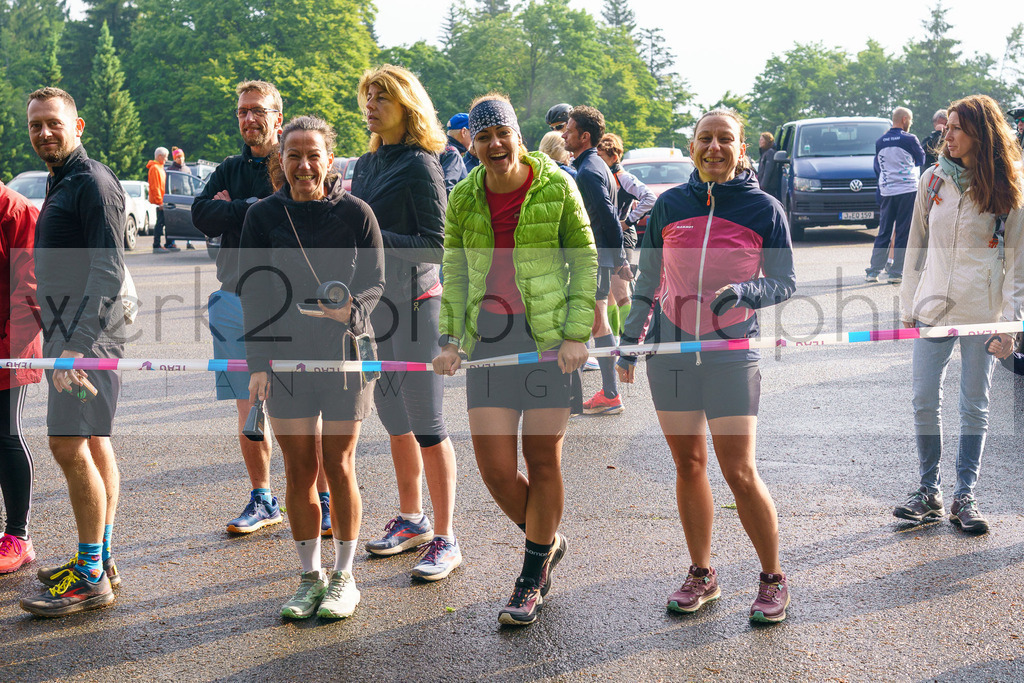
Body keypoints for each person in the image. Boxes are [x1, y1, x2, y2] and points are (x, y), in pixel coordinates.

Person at [617, 108, 796, 623]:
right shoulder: (670, 204)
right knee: (689, 465)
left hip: (731, 353)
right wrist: (631, 338)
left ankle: (772, 578)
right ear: (692, 146)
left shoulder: (764, 209)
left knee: (738, 470)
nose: (713, 147)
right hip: (670, 353)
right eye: (704, 139)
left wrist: (747, 291)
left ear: (742, 150)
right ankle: (702, 572)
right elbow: (648, 280)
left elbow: (784, 281)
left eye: (725, 140)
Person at [433, 93, 597, 626]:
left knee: (542, 458)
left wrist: (576, 334)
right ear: (472, 143)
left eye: (501, 133)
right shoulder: (462, 197)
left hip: (548, 339)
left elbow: (585, 259)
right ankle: (546, 538)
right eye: (483, 137)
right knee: (497, 471)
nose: (494, 145)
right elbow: (453, 272)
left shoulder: (556, 183)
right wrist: (450, 339)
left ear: (517, 134)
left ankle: (530, 576)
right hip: (489, 342)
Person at [239, 115, 385, 619]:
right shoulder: (262, 217)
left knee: (339, 464)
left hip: (345, 357)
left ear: (329, 160)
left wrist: (353, 312)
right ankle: (309, 577)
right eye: (293, 155)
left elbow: (375, 282)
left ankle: (345, 576)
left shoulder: (357, 214)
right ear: (281, 160)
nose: (303, 165)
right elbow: (254, 293)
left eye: (312, 155)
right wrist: (258, 363)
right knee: (299, 468)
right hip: (285, 359)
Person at [351, 64, 462, 581]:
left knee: (428, 424)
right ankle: (412, 518)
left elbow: (436, 244)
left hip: (419, 305)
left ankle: (446, 537)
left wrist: (373, 242)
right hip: (376, 308)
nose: (371, 104)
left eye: (383, 96)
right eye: (368, 95)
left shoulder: (423, 164)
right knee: (394, 420)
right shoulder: (369, 162)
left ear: (408, 106)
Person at [895, 94, 1024, 534]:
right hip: (932, 306)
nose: (946, 135)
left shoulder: (1008, 188)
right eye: (946, 126)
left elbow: (1017, 265)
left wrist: (1010, 326)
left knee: (975, 405)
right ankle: (927, 490)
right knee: (923, 400)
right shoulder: (931, 180)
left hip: (981, 313)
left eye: (956, 128)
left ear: (980, 134)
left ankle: (964, 495)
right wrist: (908, 302)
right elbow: (914, 246)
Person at [20, 87, 127, 616]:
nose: (44, 133)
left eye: (53, 124)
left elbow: (107, 269)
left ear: (77, 125)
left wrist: (76, 348)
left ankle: (89, 577)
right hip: (71, 335)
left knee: (67, 447)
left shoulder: (92, 183)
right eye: (36, 125)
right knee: (93, 442)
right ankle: (99, 560)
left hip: (88, 338)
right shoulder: (61, 179)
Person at [192, 80, 284, 535]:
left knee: (300, 407)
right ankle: (263, 498)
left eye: (258, 111)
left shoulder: (294, 160)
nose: (249, 119)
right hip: (232, 296)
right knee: (247, 408)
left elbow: (290, 215)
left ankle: (322, 499)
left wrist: (237, 208)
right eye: (242, 112)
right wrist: (254, 207)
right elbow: (199, 214)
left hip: (287, 300)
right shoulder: (229, 167)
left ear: (277, 117)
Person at [562, 105, 631, 415]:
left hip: (594, 260)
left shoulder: (589, 171)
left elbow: (608, 217)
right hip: (596, 259)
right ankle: (606, 393)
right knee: (597, 323)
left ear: (584, 136)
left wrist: (618, 260)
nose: (564, 133)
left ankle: (606, 394)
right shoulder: (594, 164)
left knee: (593, 323)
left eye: (569, 129)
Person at [0, 179, 42, 575]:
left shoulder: (17, 210)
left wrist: (10, 352)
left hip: (8, 348)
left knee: (5, 434)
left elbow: (29, 291)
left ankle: (18, 536)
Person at [596, 133, 656, 336]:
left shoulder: (624, 177)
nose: (598, 161)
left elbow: (650, 198)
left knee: (621, 293)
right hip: (605, 238)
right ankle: (615, 342)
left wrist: (628, 220)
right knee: (610, 294)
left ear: (614, 157)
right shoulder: (603, 175)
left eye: (602, 156)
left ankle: (630, 339)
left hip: (622, 237)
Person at [865, 106, 925, 285]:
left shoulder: (880, 141)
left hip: (886, 190)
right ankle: (896, 272)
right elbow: (921, 160)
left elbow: (877, 166)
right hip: (907, 189)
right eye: (911, 121)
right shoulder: (910, 139)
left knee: (884, 230)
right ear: (905, 120)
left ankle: (873, 271)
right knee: (902, 231)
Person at [148, 146, 178, 253]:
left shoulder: (160, 167)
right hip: (159, 202)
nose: (166, 160)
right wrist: (160, 202)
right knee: (160, 223)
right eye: (165, 157)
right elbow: (155, 187)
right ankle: (156, 245)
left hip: (163, 201)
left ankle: (168, 244)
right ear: (159, 156)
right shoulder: (155, 168)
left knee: (165, 223)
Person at [169, 148, 198, 249]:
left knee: (188, 220)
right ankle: (172, 242)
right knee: (174, 221)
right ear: (174, 159)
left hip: (186, 198)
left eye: (181, 157)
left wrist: (193, 194)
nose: (180, 159)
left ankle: (189, 242)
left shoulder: (187, 169)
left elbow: (191, 183)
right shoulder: (171, 170)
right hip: (175, 199)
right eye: (177, 157)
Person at [440, 113, 469, 193]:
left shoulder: (440, 148)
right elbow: (448, 188)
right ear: (464, 132)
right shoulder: (453, 154)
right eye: (473, 132)